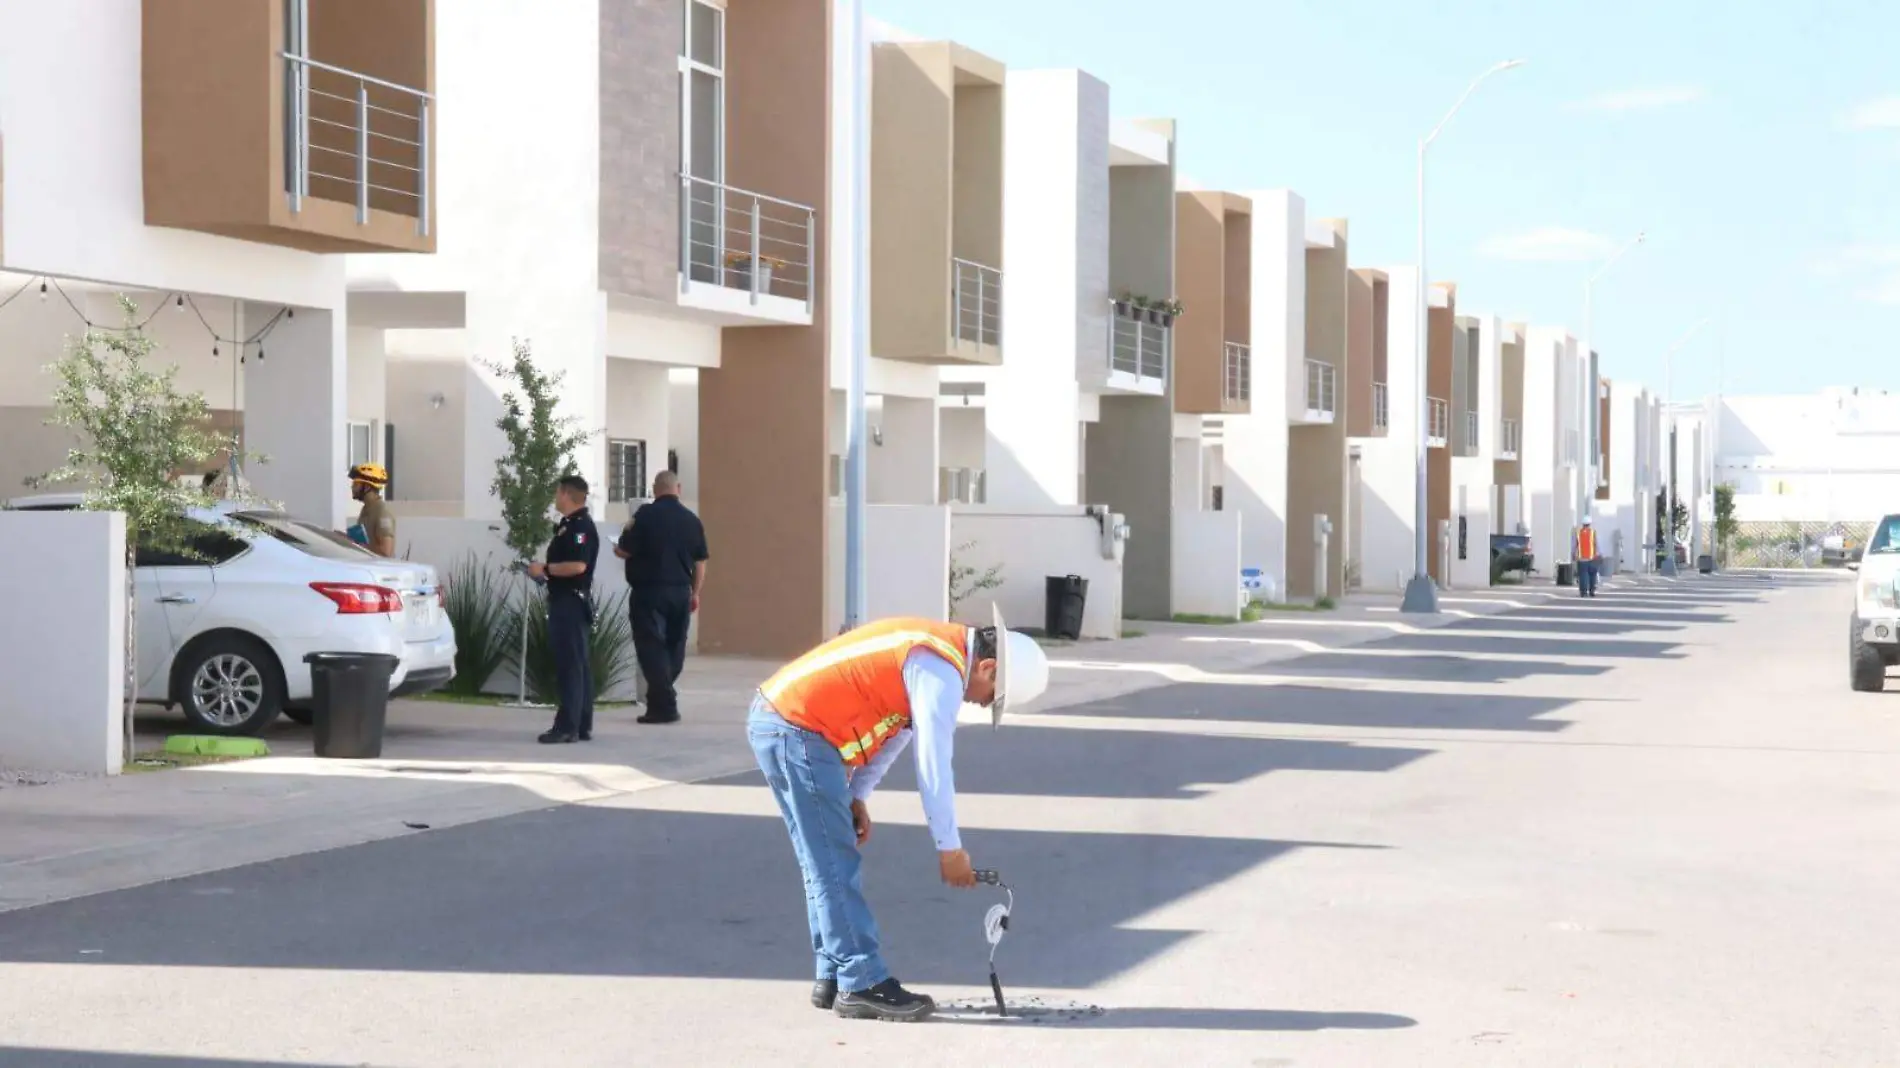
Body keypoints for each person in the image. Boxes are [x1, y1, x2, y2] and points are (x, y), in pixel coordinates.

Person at [747, 607, 1052, 1023]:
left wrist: (857, 795)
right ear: (988, 666)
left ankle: (834, 974)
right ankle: (862, 981)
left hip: (786, 722)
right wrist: (950, 849)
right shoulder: (939, 672)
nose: (981, 704)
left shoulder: (933, 654)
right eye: (990, 696)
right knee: (834, 864)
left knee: (822, 861)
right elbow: (933, 766)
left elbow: (896, 735)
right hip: (797, 726)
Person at [614, 470, 708, 725]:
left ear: (655, 490)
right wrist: (695, 593)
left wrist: (617, 549)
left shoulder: (644, 516)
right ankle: (659, 704)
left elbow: (624, 549)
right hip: (680, 591)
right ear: (678, 488)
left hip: (648, 591)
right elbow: (700, 563)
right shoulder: (692, 520)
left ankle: (665, 705)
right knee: (675, 646)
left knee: (650, 646)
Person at [532, 475, 601, 744]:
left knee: (571, 665)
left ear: (566, 494)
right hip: (565, 598)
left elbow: (578, 566)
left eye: (557, 492)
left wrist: (546, 569)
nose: (555, 497)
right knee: (577, 663)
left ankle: (567, 726)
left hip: (571, 602)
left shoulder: (580, 527)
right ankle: (581, 722)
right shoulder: (568, 525)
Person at [348, 463, 397, 557]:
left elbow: (386, 552)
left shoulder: (382, 513)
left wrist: (356, 544)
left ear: (367, 487)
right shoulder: (366, 509)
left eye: (356, 484)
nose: (352, 487)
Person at [1577, 517, 1600, 598]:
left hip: (1581, 558)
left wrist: (1573, 554)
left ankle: (1583, 592)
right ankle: (1592, 591)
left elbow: (1574, 545)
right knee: (1592, 575)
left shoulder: (1578, 532)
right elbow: (1596, 544)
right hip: (1592, 557)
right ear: (1590, 524)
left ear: (1582, 524)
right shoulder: (1593, 532)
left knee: (1583, 575)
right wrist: (1598, 553)